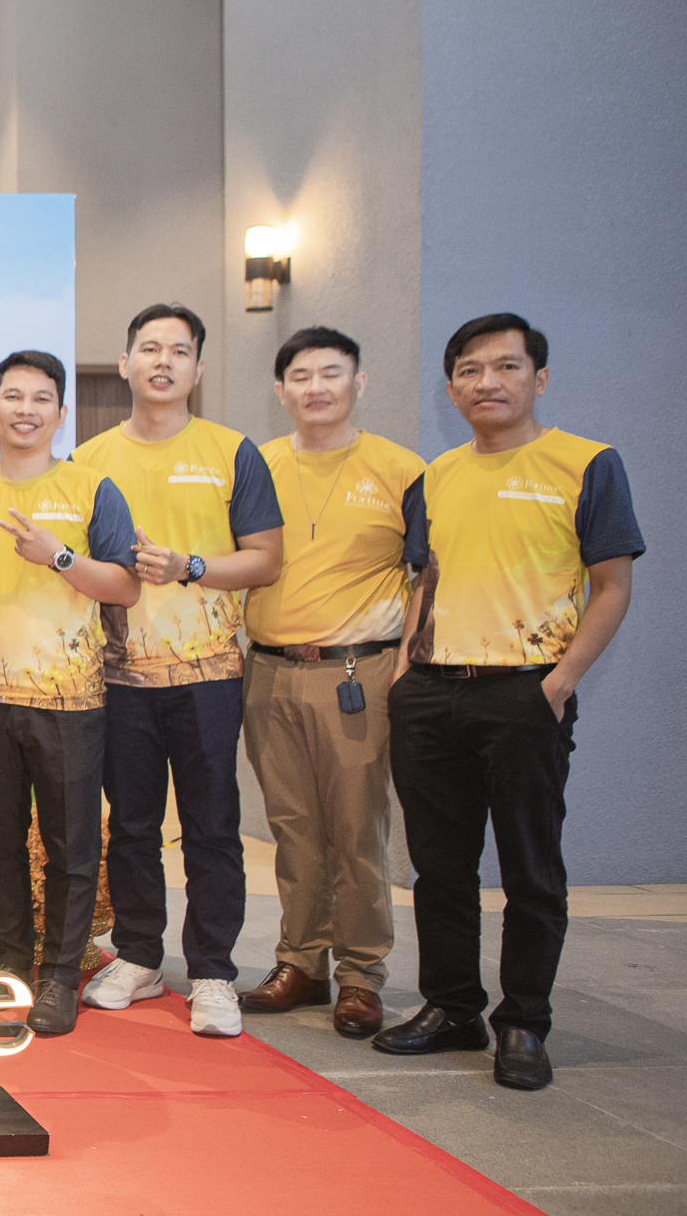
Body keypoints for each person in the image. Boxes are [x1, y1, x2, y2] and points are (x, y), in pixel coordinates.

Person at [374, 314, 641, 1091]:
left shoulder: (587, 464)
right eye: (469, 370)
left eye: (506, 366)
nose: (486, 382)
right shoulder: (437, 476)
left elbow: (612, 585)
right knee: (439, 865)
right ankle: (452, 1006)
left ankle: (524, 1022)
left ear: (539, 377)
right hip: (432, 692)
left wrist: (559, 682)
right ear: (451, 386)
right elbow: (425, 578)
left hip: (526, 690)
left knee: (531, 866)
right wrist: (404, 673)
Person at [74, 304, 283, 1038]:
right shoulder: (88, 461)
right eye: (149, 348)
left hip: (208, 674)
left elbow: (266, 559)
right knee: (132, 826)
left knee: (211, 827)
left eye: (179, 350)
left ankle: (214, 971)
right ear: (125, 362)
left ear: (198, 367)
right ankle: (137, 955)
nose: (162, 361)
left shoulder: (232, 452)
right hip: (118, 676)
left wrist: (190, 566)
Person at [238, 329, 424, 1039]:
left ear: (358, 381)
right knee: (292, 827)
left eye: (331, 373)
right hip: (269, 668)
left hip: (358, 669)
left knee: (356, 828)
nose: (315, 387)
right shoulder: (256, 464)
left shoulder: (400, 469)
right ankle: (301, 961)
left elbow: (429, 571)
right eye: (300, 375)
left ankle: (360, 974)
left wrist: (407, 659)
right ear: (280, 389)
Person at [0, 351, 138, 1036]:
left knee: (71, 845)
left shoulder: (93, 488)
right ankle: (11, 960)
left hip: (71, 700)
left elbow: (125, 586)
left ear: (61, 414)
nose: (25, 409)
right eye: (13, 396)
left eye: (41, 399)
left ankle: (60, 975)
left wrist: (59, 556)